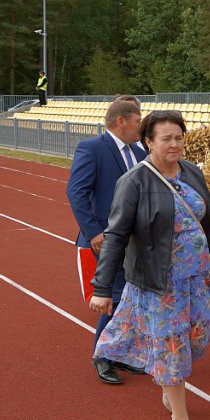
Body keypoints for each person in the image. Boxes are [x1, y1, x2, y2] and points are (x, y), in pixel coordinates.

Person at [89, 110, 210, 420]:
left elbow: (207, 221)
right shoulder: (134, 181)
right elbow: (115, 235)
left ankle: (167, 387)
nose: (174, 144)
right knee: (172, 350)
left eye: (178, 137)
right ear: (149, 141)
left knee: (195, 338)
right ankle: (180, 418)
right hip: (162, 284)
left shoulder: (191, 171)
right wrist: (102, 288)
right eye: (166, 138)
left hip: (197, 279)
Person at [66, 97, 146, 385]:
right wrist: (95, 232)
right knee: (116, 294)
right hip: (106, 240)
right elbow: (76, 192)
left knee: (132, 296)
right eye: (138, 121)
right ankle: (103, 355)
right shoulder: (93, 148)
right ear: (121, 121)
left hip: (136, 239)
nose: (141, 126)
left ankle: (121, 355)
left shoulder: (139, 151)